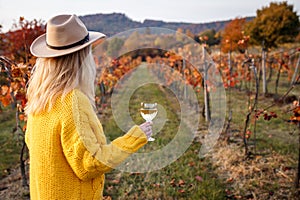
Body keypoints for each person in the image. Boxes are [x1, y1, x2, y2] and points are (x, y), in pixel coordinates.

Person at [25, 14, 153, 200]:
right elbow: (90, 163)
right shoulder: (72, 101)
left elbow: (35, 145)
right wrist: (135, 138)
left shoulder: (39, 99)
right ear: (82, 58)